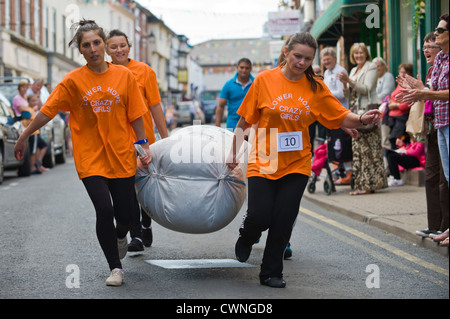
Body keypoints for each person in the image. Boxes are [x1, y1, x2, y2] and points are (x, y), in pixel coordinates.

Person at [226, 32, 381, 288]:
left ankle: (271, 272)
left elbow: (340, 115)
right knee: (260, 215)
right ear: (286, 52)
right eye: (297, 56)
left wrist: (363, 119)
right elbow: (244, 120)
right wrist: (233, 153)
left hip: (297, 163)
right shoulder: (264, 80)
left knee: (284, 217)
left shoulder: (315, 87)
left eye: (308, 59)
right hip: (264, 159)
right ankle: (248, 234)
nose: (301, 62)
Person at [14, 19, 151, 287]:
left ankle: (121, 234)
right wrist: (24, 135)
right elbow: (47, 111)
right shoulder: (73, 81)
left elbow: (136, 114)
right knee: (103, 209)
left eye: (97, 42)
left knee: (126, 216)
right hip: (90, 157)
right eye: (86, 44)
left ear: (104, 45)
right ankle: (115, 267)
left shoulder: (125, 76)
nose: (92, 48)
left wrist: (143, 144)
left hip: (122, 154)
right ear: (80, 50)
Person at [106, 29, 168, 252]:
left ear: (129, 47)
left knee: (143, 185)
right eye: (113, 47)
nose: (119, 50)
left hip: (143, 140)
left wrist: (166, 138)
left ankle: (146, 224)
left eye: (122, 45)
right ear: (106, 50)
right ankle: (137, 235)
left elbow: (155, 106)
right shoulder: (104, 73)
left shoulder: (144, 71)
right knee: (127, 188)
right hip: (118, 140)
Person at [397, 32, 449, 240]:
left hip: (444, 125)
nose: (426, 50)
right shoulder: (431, 70)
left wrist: (422, 91)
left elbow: (433, 95)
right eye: (425, 47)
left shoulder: (444, 66)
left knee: (444, 180)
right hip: (434, 126)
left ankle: (445, 226)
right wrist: (414, 92)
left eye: (430, 46)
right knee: (431, 176)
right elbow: (427, 99)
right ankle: (434, 225)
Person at [397, 13, 449, 185]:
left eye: (440, 30)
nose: (436, 33)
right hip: (440, 123)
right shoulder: (441, 58)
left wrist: (424, 93)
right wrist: (417, 91)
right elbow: (432, 90)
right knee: (447, 177)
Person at [338, 43, 387, 195]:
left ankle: (369, 185)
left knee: (369, 149)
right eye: (356, 53)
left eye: (361, 53)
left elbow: (366, 88)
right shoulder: (353, 70)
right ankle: (360, 185)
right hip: (355, 112)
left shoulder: (371, 67)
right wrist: (345, 84)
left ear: (366, 54)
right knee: (358, 150)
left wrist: (349, 80)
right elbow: (348, 94)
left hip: (367, 110)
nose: (358, 55)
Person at [321, 47, 352, 185]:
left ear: (334, 58)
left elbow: (341, 93)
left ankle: (348, 174)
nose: (326, 61)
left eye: (328, 59)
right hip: (330, 115)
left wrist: (323, 95)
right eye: (324, 59)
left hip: (341, 114)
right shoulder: (327, 73)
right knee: (335, 145)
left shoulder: (340, 71)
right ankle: (339, 173)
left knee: (343, 145)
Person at [215, 58, 254, 130]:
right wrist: (218, 124)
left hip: (252, 126)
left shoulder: (256, 83)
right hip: (232, 125)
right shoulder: (228, 85)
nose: (244, 70)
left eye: (247, 68)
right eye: (242, 67)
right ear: (237, 67)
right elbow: (220, 106)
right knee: (232, 142)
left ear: (251, 69)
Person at [386, 63, 414, 149]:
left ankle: (400, 160)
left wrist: (396, 105)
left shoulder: (409, 85)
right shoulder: (400, 83)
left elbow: (409, 102)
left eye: (404, 72)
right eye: (400, 72)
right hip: (393, 117)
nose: (401, 74)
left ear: (409, 73)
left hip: (401, 118)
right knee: (394, 141)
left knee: (397, 141)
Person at [373, 57, 396, 158]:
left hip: (386, 111)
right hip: (376, 111)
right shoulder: (374, 78)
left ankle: (388, 167)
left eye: (379, 66)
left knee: (384, 138)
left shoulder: (388, 76)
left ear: (384, 66)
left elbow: (386, 93)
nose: (377, 68)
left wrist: (373, 100)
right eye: (375, 66)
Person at [26, 94, 49, 174]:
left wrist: (38, 96)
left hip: (37, 132)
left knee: (43, 146)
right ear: (28, 101)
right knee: (33, 151)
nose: (35, 102)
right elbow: (28, 122)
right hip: (33, 133)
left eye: (35, 101)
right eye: (33, 101)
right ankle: (32, 167)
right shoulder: (29, 110)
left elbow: (40, 107)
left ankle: (38, 161)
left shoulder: (33, 109)